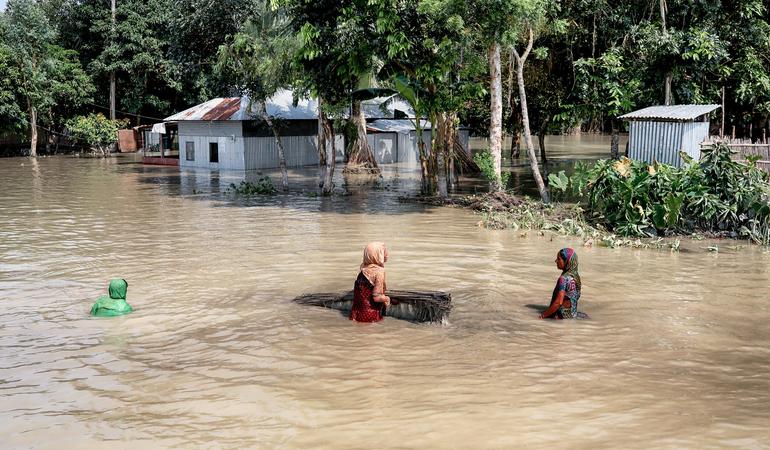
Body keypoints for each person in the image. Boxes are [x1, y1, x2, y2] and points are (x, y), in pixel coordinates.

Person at [350, 242, 391, 322]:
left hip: (355, 315)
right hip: (370, 317)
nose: (387, 254)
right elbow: (376, 297)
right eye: (383, 252)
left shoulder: (362, 270)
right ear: (377, 256)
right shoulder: (379, 272)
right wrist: (387, 299)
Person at [540, 248, 582, 319]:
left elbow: (558, 302)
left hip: (560, 317)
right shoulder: (576, 277)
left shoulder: (563, 279)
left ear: (567, 261)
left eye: (559, 259)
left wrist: (543, 316)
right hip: (572, 316)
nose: (556, 261)